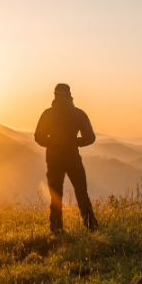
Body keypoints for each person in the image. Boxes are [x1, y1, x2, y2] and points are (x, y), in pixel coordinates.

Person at [34, 83, 99, 233]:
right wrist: (73, 142)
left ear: (55, 95)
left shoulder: (48, 114)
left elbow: (38, 137)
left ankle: (57, 228)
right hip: (73, 159)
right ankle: (92, 226)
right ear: (69, 95)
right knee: (82, 193)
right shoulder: (79, 114)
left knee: (56, 195)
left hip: (54, 160)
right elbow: (90, 138)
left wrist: (54, 143)